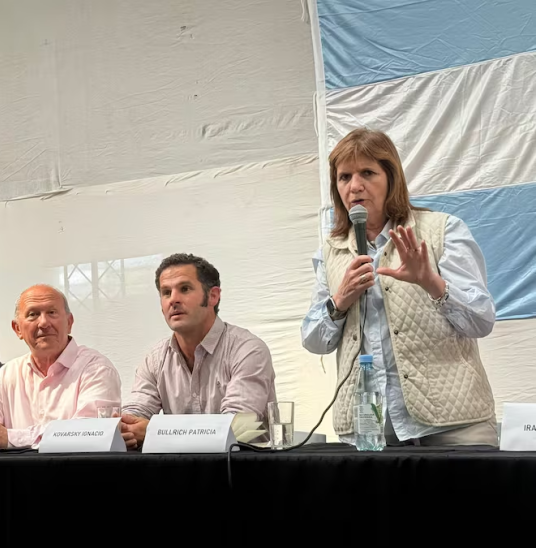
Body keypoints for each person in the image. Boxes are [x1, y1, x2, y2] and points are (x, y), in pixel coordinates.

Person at [300, 127, 497, 446]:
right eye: (344, 177)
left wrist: (433, 284)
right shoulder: (331, 252)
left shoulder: (443, 230)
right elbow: (314, 341)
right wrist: (339, 301)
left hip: (453, 424)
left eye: (367, 173)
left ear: (391, 178)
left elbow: (481, 320)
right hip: (371, 429)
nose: (355, 186)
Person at [121, 253, 277, 449]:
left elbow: (235, 428)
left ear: (213, 296)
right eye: (166, 292)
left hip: (241, 466)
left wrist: (155, 431)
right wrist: (126, 427)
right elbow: (134, 413)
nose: (173, 300)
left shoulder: (248, 350)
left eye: (184, 289)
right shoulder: (155, 359)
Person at [0, 284, 122, 450]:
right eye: (33, 315)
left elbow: (91, 434)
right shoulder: (8, 374)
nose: (43, 323)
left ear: (69, 322)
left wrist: (9, 438)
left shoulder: (96, 369)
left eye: (52, 312)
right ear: (17, 329)